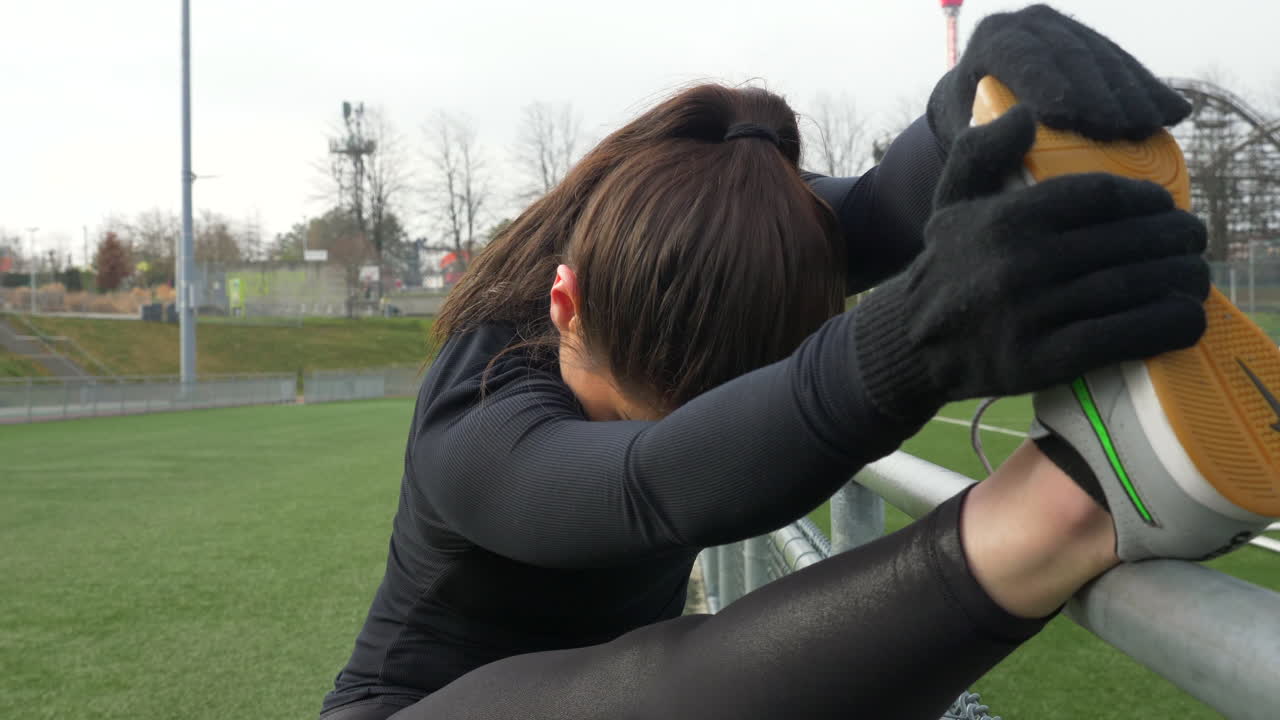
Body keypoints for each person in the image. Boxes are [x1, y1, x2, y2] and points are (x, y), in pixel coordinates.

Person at [319, 6, 1276, 719]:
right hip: (433, 707)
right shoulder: (480, 403)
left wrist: (976, 104)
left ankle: (1072, 505)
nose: (684, 425)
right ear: (562, 307)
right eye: (632, 408)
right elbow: (653, 486)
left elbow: (867, 211)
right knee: (645, 691)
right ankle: (1051, 516)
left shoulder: (702, 237)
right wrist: (910, 344)